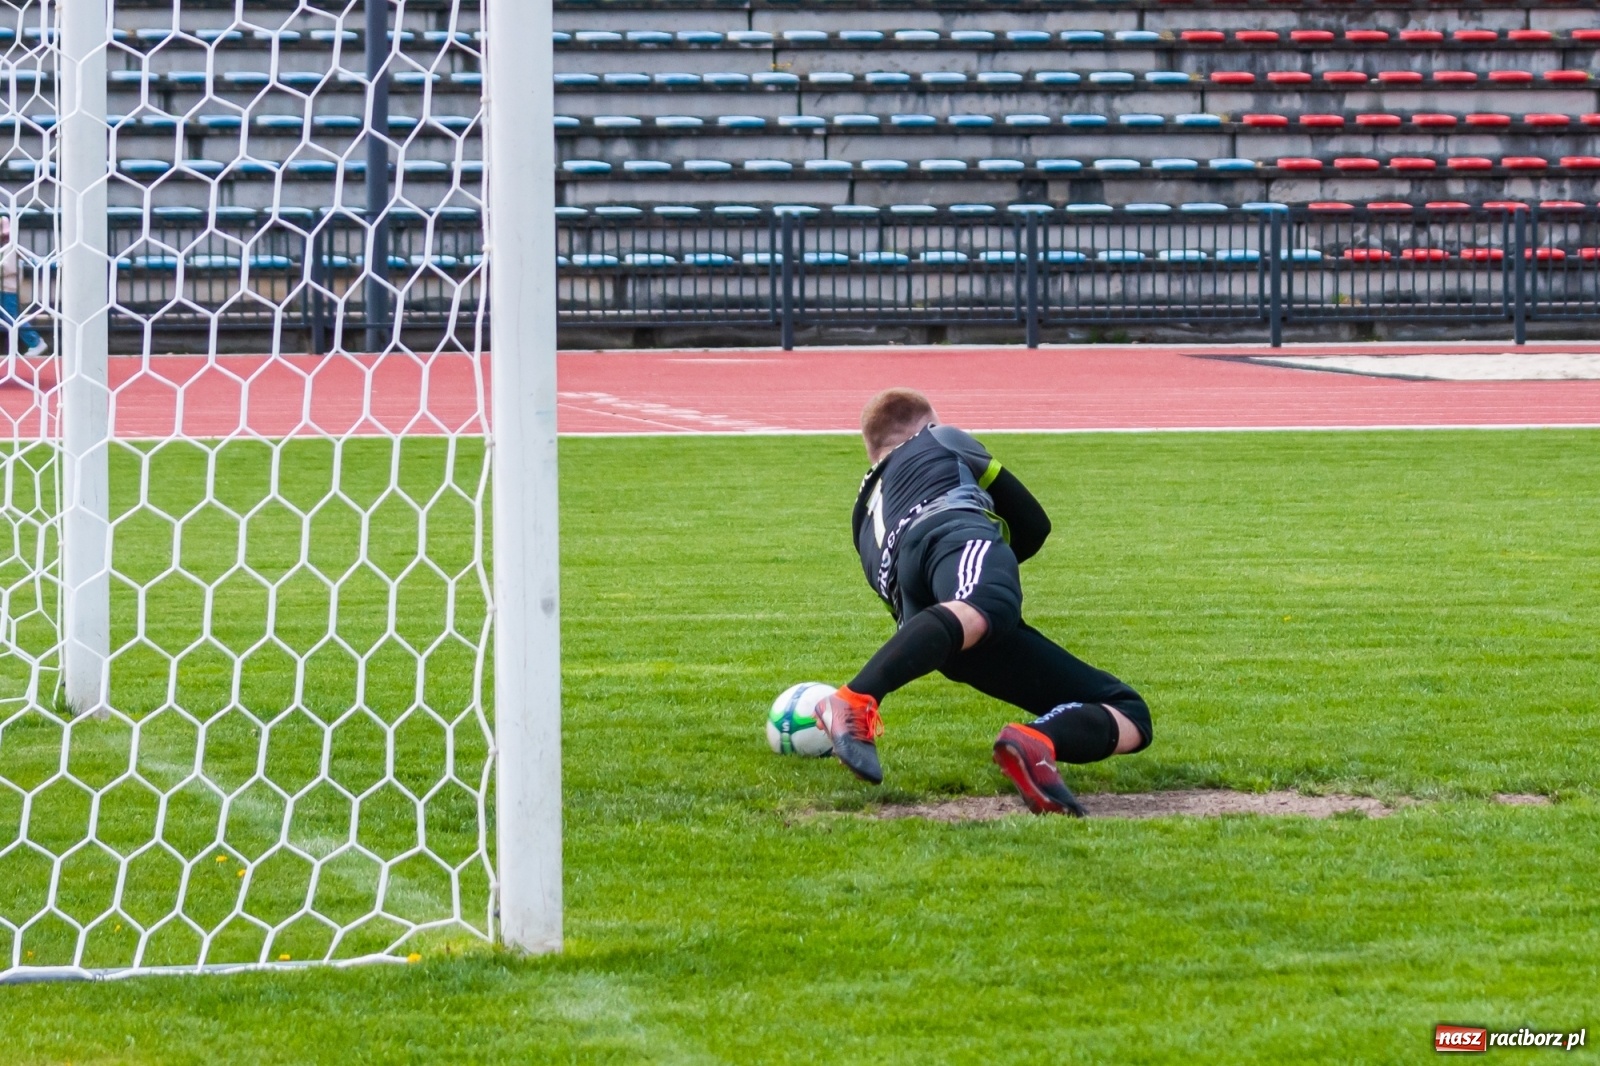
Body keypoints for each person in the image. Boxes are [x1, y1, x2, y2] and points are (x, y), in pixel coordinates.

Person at [815, 388, 1153, 816]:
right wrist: (994, 570)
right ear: (928, 424)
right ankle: (854, 698)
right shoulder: (940, 438)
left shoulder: (862, 515)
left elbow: (913, 615)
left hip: (937, 628)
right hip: (951, 531)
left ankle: (1036, 743)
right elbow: (1033, 523)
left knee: (1127, 710)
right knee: (988, 603)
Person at [1, 215, 47, 358]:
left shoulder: (11, 248)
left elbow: (8, 268)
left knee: (12, 318)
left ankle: (35, 341)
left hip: (8, 289)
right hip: (3, 288)